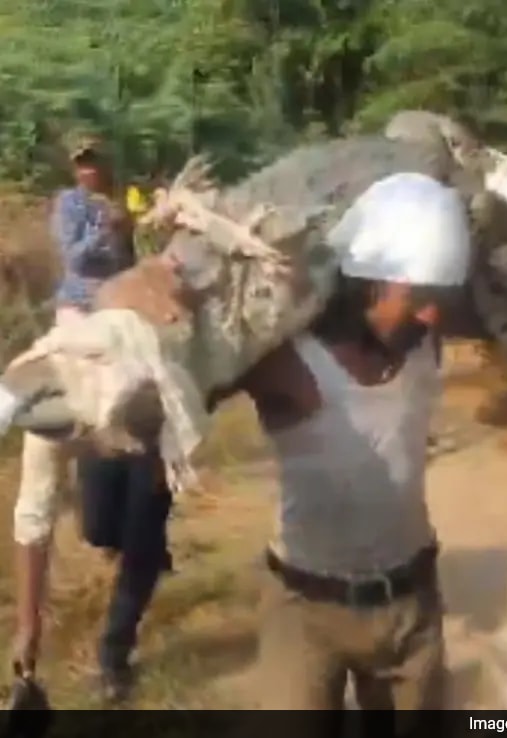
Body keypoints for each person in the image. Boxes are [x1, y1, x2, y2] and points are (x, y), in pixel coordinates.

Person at [201, 173, 466, 729]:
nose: (431, 316)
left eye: (439, 300)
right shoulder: (288, 363)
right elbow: (192, 377)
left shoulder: (422, 344)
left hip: (410, 609)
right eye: (416, 298)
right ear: (366, 284)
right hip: (303, 610)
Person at [11, 134, 174, 704]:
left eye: (94, 161)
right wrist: (28, 627)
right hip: (81, 324)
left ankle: (113, 655)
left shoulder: (124, 197)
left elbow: (146, 261)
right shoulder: (74, 206)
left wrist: (138, 227)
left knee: (144, 524)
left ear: (105, 163)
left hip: (131, 330)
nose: (87, 171)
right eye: (79, 163)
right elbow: (32, 512)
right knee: (100, 525)